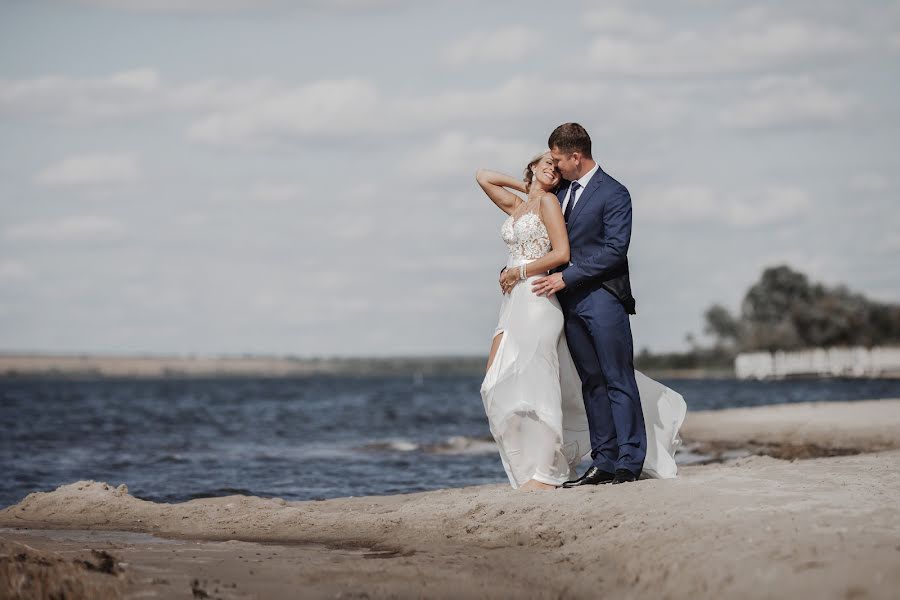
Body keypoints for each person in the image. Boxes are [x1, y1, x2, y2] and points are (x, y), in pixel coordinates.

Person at [477, 137, 686, 491]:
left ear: (574, 156)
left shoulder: (613, 192)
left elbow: (614, 251)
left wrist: (547, 274)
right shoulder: (551, 197)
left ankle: (629, 461)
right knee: (589, 382)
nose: (554, 169)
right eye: (548, 163)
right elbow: (485, 178)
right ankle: (603, 461)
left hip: (600, 296)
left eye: (557, 162)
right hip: (560, 298)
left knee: (616, 378)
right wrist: (529, 184)